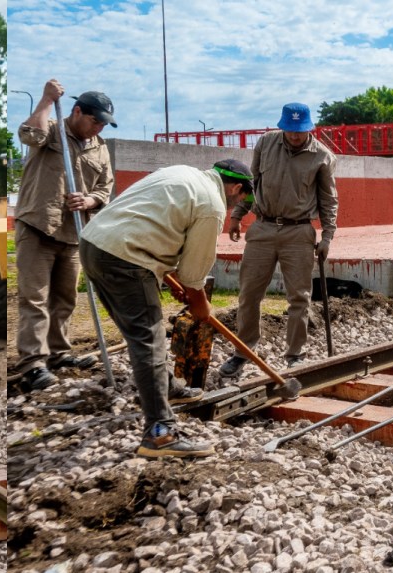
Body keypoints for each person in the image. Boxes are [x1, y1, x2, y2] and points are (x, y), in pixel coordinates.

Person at [79, 159, 253, 457]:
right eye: (243, 197)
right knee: (149, 341)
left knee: (141, 336)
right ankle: (160, 432)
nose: (240, 202)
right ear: (237, 187)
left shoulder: (181, 173)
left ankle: (168, 388)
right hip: (126, 258)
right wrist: (201, 306)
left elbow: (153, 223)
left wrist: (168, 274)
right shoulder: (212, 205)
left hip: (95, 244)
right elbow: (194, 273)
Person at [219, 103, 339, 378]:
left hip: (299, 232)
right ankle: (243, 351)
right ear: (281, 126)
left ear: (309, 128)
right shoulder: (266, 143)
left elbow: (329, 199)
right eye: (290, 131)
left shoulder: (322, 156)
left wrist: (328, 236)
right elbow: (253, 183)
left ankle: (296, 354)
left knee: (299, 297)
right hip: (262, 228)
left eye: (300, 131)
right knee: (249, 294)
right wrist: (237, 215)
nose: (295, 136)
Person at [13, 78, 115, 391]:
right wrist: (45, 99)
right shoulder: (53, 128)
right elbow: (29, 135)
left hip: (73, 233)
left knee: (65, 299)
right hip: (38, 226)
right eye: (95, 120)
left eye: (104, 124)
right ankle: (32, 364)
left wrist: (90, 200)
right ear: (77, 111)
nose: (99, 128)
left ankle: (58, 353)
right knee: (35, 299)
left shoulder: (100, 148)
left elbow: (105, 188)